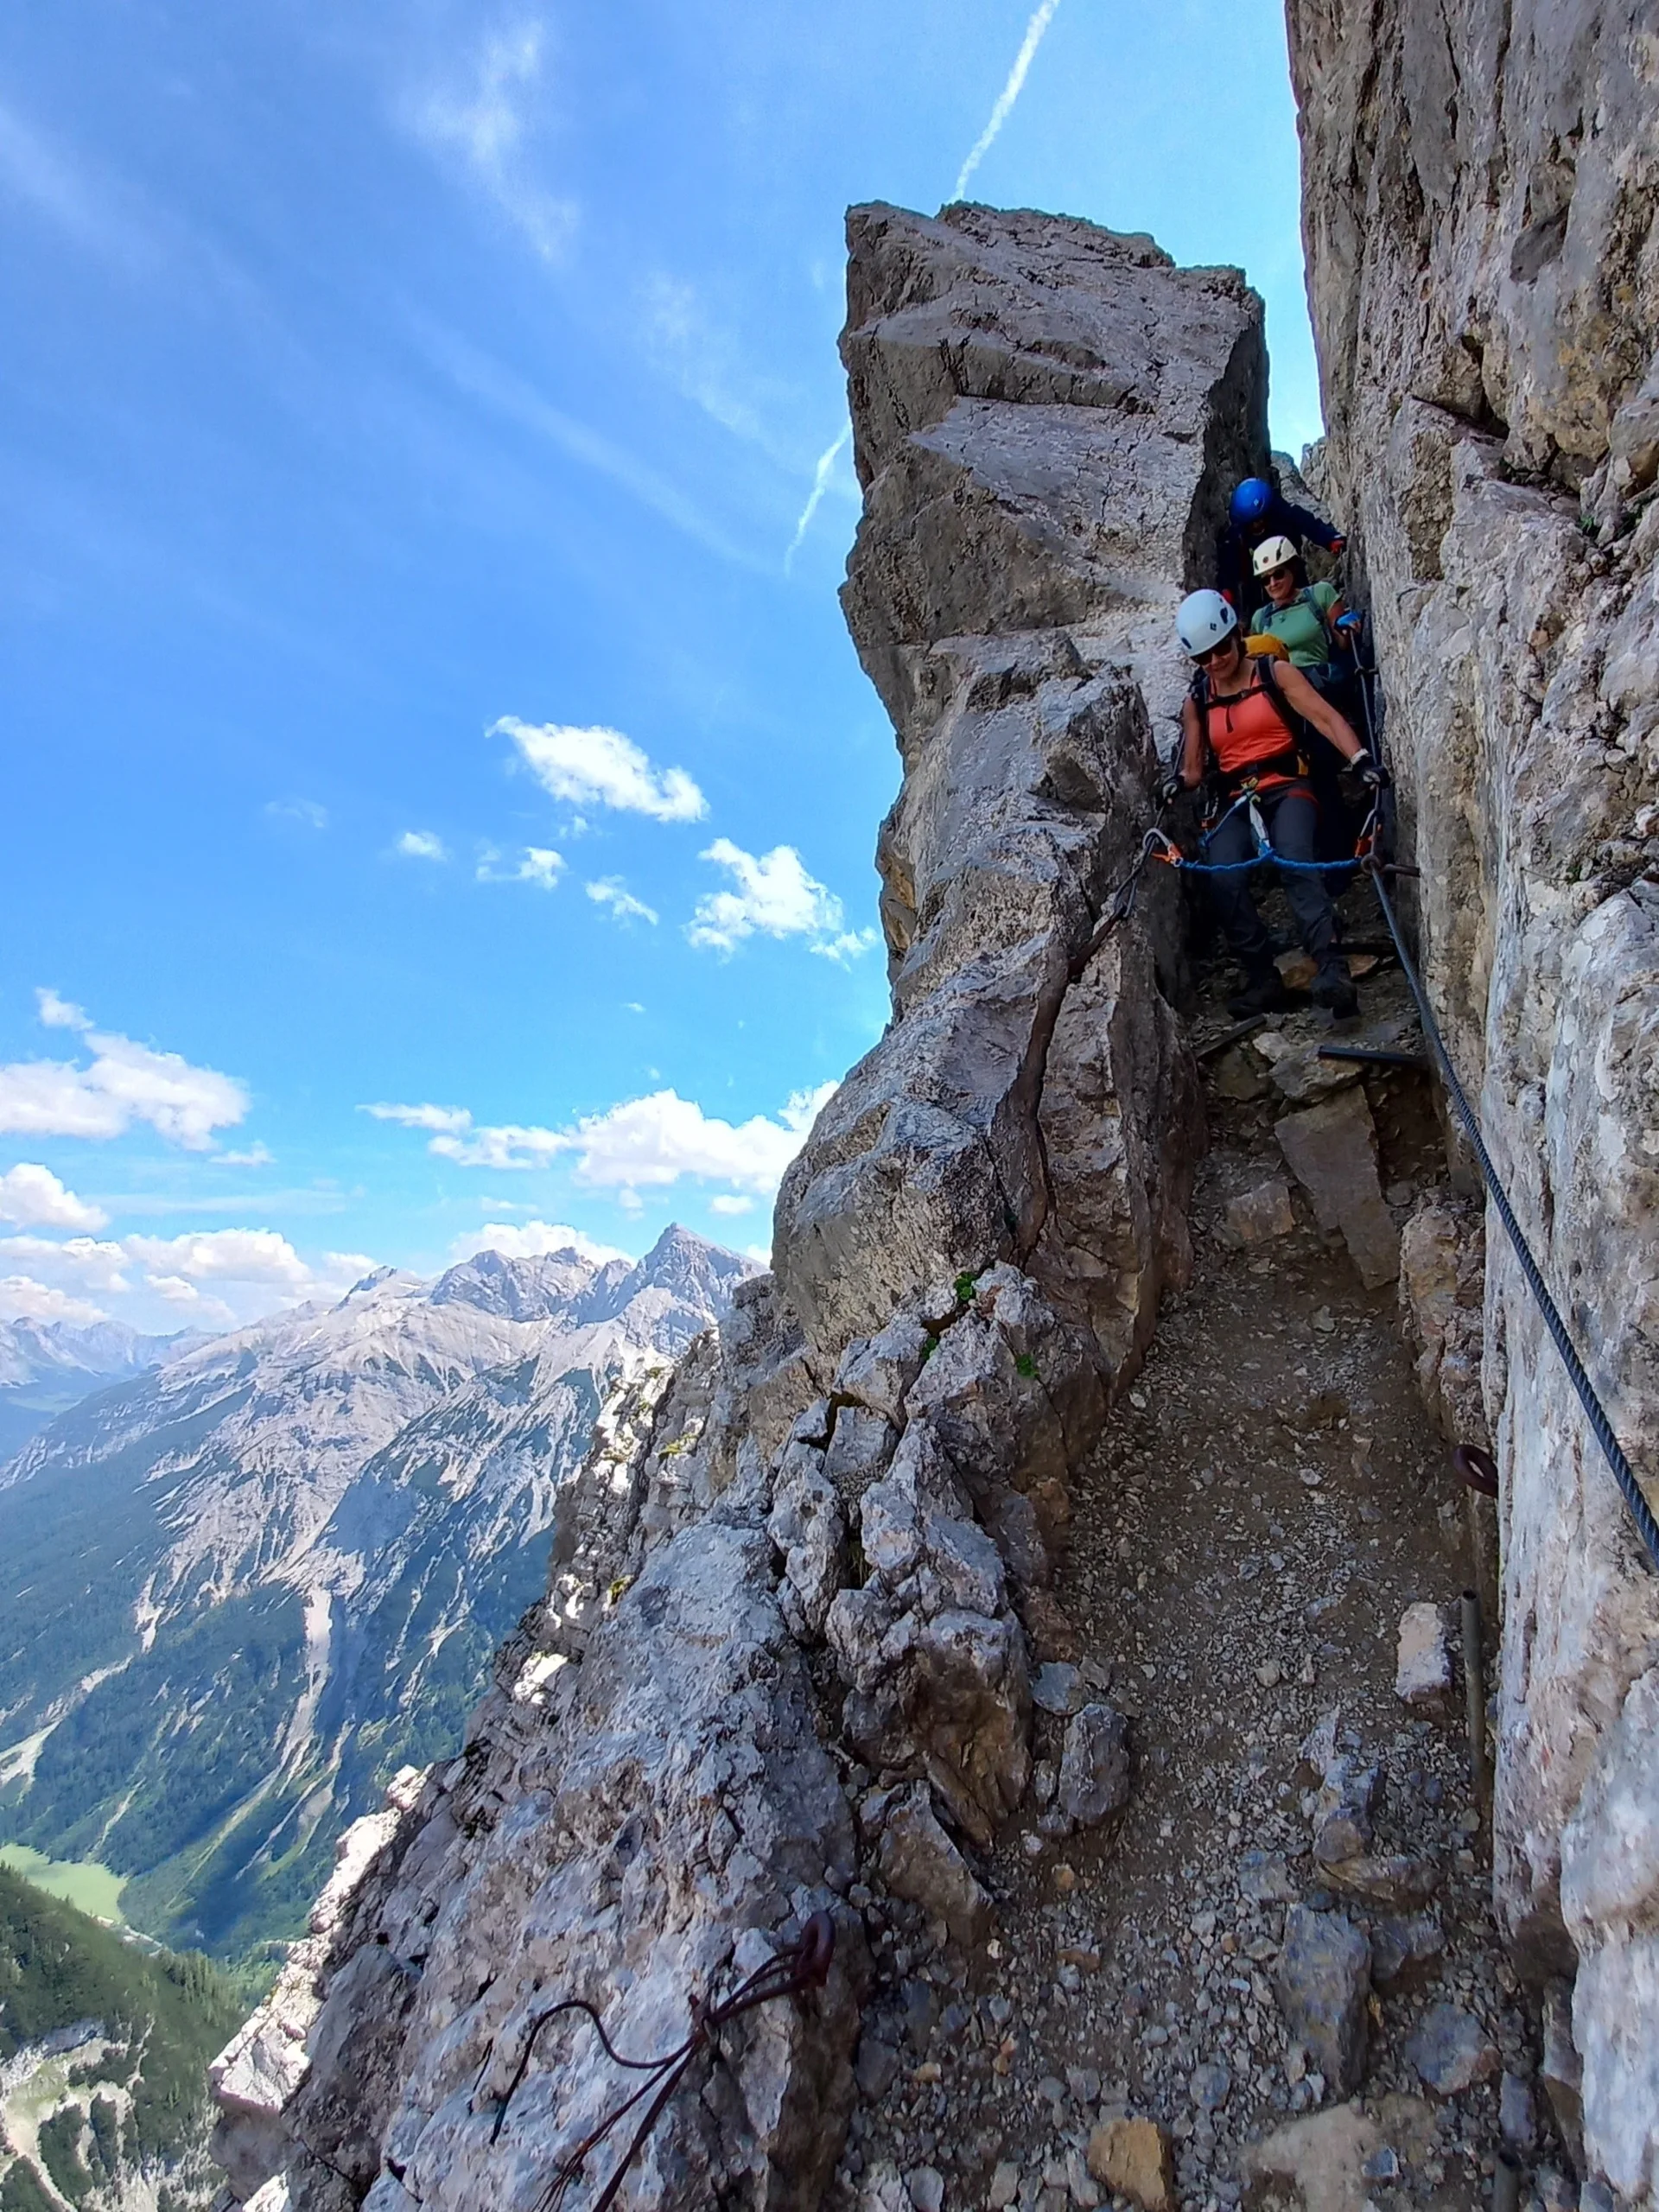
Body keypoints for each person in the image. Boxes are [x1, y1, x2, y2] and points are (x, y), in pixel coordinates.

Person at [1171, 590, 1383, 1019]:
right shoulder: (1197, 700)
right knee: (1223, 875)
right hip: (1236, 796)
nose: (1215, 662)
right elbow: (1193, 769)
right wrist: (1174, 785)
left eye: (1221, 649)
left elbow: (1325, 718)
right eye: (1203, 658)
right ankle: (1262, 976)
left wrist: (1360, 760)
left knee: (1295, 859)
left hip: (1288, 784)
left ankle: (1331, 968)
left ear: (1237, 635)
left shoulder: (1275, 673)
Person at [1217, 475, 1344, 613]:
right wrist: (1227, 589)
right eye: (1252, 523)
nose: (1257, 525)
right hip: (1259, 592)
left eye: (1260, 520)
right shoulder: (1238, 535)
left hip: (1293, 577)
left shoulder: (1283, 514)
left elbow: (1308, 523)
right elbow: (1228, 564)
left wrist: (1330, 539)